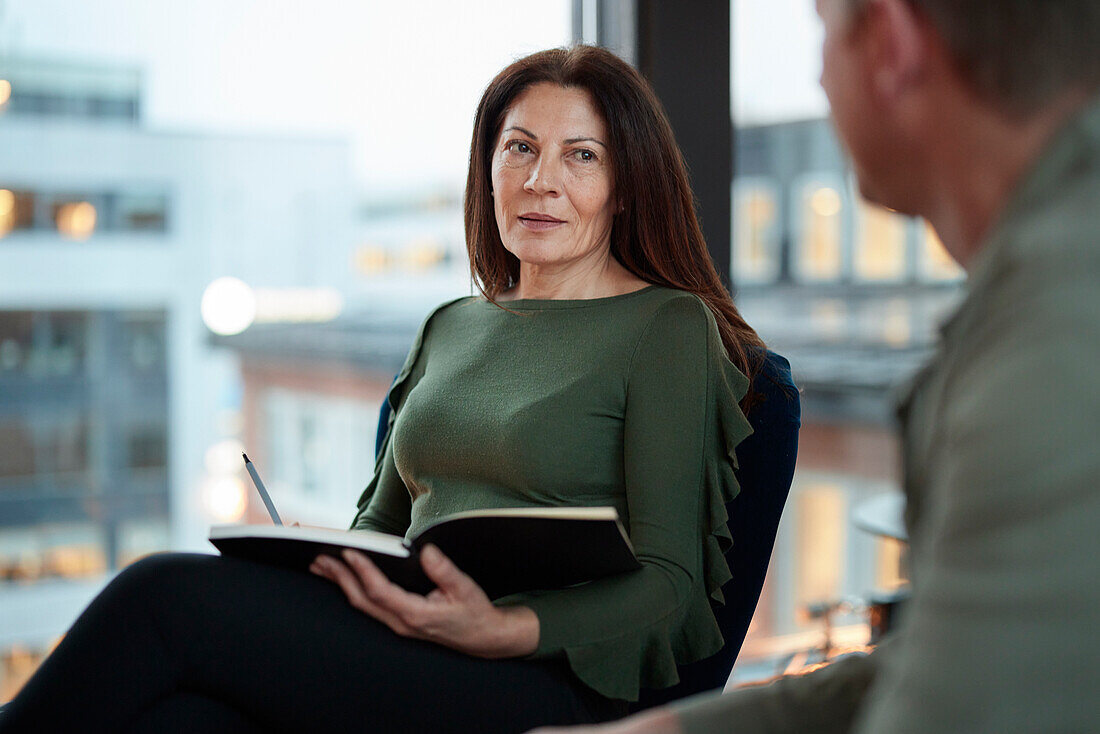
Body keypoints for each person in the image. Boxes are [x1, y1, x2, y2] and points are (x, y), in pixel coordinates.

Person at [0, 46, 770, 733]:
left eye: (581, 157)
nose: (541, 181)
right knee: (185, 719)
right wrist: (312, 555)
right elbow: (381, 528)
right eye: (520, 148)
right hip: (410, 645)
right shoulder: (451, 326)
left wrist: (503, 628)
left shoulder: (667, 327)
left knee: (159, 597)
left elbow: (674, 587)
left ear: (626, 185)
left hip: (544, 681)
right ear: (489, 168)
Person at [531, 0, 1100, 733]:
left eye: (823, 33)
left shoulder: (1052, 337)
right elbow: (964, 655)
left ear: (892, 44)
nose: (818, 76)